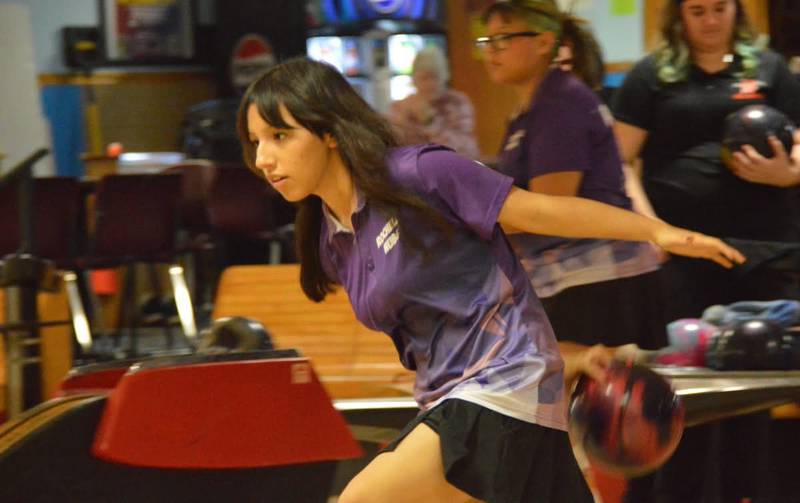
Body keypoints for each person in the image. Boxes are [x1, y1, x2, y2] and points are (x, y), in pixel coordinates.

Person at [236, 57, 743, 503]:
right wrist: (569, 360)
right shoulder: (331, 238)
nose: (263, 159)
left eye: (280, 137)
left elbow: (541, 211)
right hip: (461, 398)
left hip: (502, 389)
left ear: (329, 130)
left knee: (362, 499)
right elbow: (452, 316)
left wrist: (656, 230)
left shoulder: (420, 175)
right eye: (256, 142)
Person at [612, 0, 800, 501]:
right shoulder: (652, 74)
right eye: (697, 9)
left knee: (754, 386)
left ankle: (753, 493)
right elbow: (621, 159)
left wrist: (790, 172)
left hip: (764, 249)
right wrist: (652, 231)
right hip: (683, 253)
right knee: (683, 382)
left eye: (720, 8)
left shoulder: (770, 69)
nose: (710, 19)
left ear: (737, 12)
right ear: (679, 16)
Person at [476, 0, 667, 359]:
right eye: (487, 41)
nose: (491, 51)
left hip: (599, 278)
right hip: (572, 278)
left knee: (599, 408)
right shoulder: (530, 109)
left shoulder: (560, 101)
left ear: (545, 42)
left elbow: (550, 211)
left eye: (503, 39)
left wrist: (467, 221)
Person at [388, 46, 480, 158]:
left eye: (435, 77)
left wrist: (430, 122)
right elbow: (394, 150)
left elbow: (463, 151)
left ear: (445, 76)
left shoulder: (457, 103)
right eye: (424, 78)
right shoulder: (399, 108)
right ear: (414, 79)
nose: (430, 84)